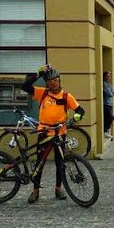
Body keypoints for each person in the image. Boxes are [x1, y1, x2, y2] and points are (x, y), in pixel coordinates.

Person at [21, 65, 85, 204]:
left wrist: (76, 118)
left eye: (56, 80)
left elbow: (80, 110)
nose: (53, 83)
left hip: (60, 133)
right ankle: (35, 190)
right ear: (47, 83)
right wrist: (38, 74)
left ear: (59, 80)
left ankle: (58, 188)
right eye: (50, 81)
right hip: (44, 133)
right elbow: (25, 87)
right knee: (40, 162)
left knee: (60, 163)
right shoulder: (42, 93)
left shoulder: (66, 96)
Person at [103, 71, 114, 140]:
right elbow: (110, 93)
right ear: (104, 77)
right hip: (106, 103)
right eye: (107, 76)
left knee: (108, 117)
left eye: (109, 76)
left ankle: (106, 131)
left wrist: (111, 92)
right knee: (109, 117)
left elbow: (113, 91)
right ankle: (105, 131)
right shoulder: (104, 84)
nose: (109, 77)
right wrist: (111, 92)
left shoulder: (108, 84)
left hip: (109, 103)